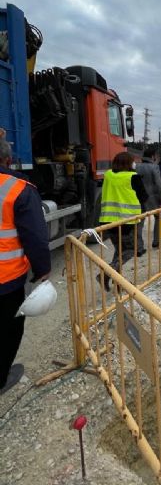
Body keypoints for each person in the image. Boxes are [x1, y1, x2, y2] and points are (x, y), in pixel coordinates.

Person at [0, 137, 51, 394]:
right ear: (8, 159)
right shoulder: (18, 188)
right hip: (5, 281)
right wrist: (43, 271)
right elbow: (36, 237)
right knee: (8, 330)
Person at [98, 151, 148, 291]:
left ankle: (118, 283)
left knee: (119, 251)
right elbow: (144, 197)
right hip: (126, 221)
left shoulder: (108, 175)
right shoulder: (133, 177)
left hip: (108, 220)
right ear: (129, 163)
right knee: (132, 249)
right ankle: (106, 274)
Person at [136, 147, 161, 248]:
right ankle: (157, 241)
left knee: (140, 221)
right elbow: (159, 185)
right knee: (158, 218)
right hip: (153, 200)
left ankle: (138, 246)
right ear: (153, 156)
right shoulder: (154, 167)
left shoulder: (136, 166)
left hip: (139, 198)